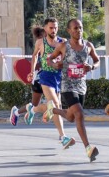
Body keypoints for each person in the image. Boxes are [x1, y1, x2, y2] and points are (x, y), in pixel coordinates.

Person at [43, 19, 100, 162]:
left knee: (71, 117)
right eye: (75, 28)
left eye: (80, 27)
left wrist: (91, 67)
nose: (78, 30)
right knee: (79, 114)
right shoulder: (63, 46)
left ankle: (53, 110)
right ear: (69, 31)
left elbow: (97, 61)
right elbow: (49, 59)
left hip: (81, 86)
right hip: (67, 85)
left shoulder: (88, 46)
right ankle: (88, 148)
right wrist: (55, 65)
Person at [31, 18, 73, 147]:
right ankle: (63, 137)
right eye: (51, 27)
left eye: (55, 27)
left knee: (54, 106)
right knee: (56, 104)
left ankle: (32, 109)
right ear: (45, 28)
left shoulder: (63, 42)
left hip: (59, 77)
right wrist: (32, 71)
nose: (53, 30)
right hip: (46, 76)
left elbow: (68, 59)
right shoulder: (40, 42)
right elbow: (34, 56)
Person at [9, 26, 49, 126]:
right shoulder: (41, 45)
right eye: (47, 33)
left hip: (45, 79)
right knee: (53, 103)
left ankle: (17, 112)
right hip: (40, 79)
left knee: (35, 105)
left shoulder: (50, 45)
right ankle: (20, 112)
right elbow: (35, 62)